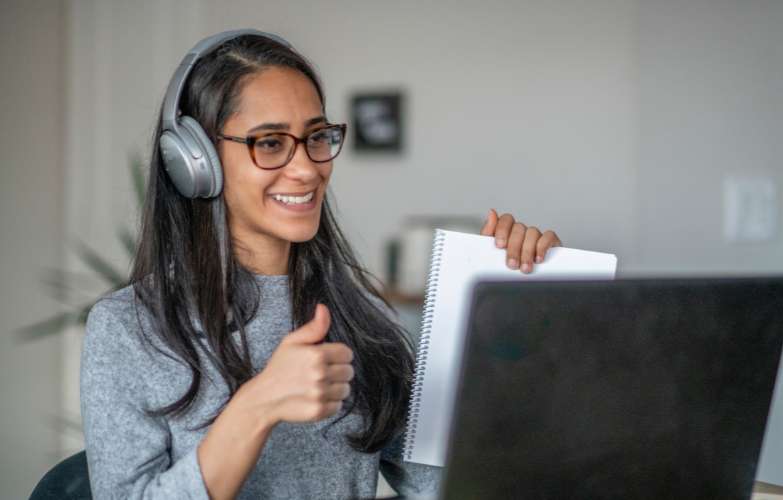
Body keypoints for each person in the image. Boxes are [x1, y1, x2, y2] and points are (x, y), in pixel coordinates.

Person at [80, 29, 562, 500]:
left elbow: (448, 487)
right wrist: (257, 405)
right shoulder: (129, 328)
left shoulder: (364, 322)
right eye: (269, 143)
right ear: (195, 161)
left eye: (316, 136)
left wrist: (509, 315)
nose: (309, 168)